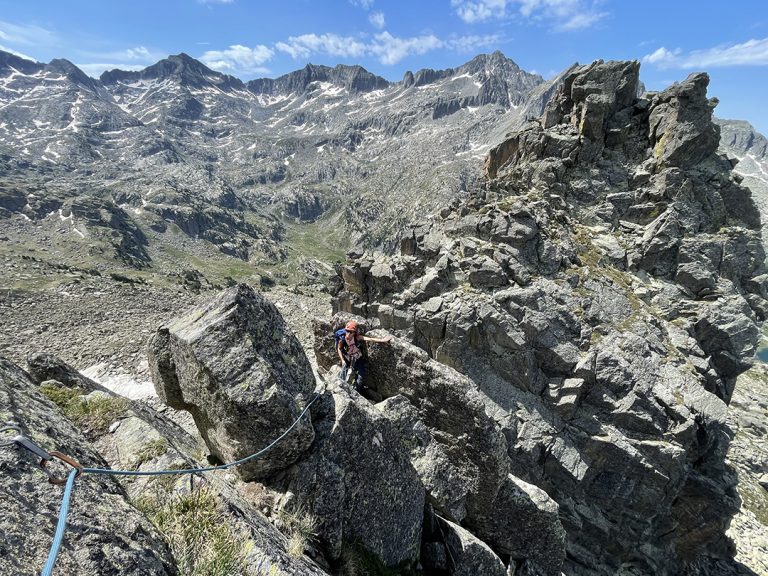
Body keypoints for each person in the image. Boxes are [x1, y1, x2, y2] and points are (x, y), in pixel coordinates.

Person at [337, 320, 391, 392]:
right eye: (347, 331)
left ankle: (356, 392)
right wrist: (342, 360)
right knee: (343, 373)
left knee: (360, 377)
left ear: (354, 333)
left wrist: (382, 340)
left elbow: (370, 339)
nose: (348, 334)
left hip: (358, 358)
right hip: (348, 358)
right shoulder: (342, 339)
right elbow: (339, 348)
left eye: (351, 332)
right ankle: (340, 389)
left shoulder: (357, 337)